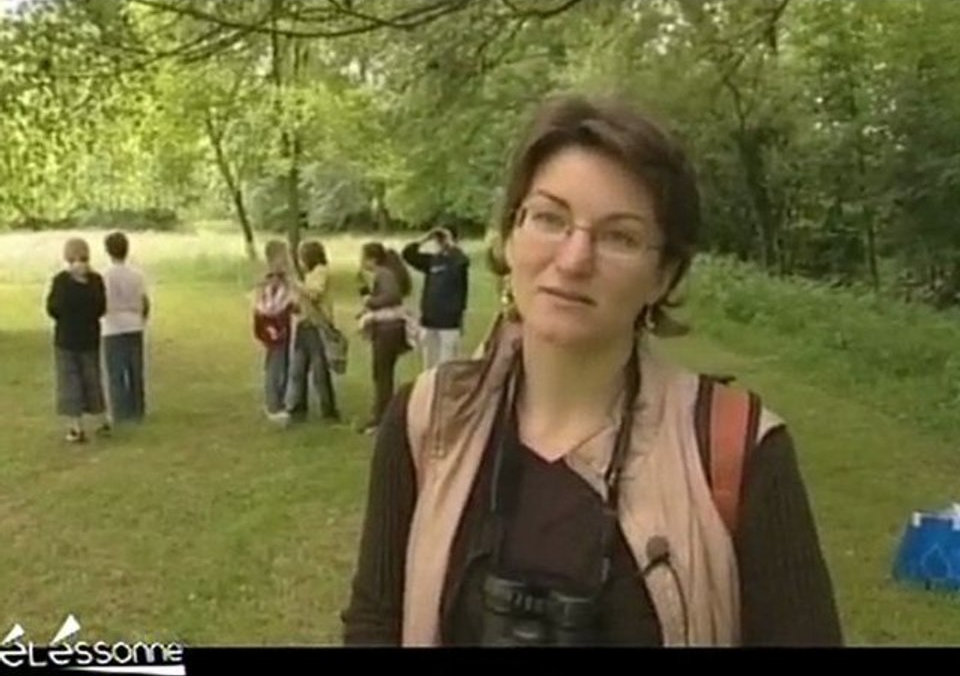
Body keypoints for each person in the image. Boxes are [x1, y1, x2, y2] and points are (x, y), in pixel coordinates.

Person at [341, 94, 843, 646]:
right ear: (510, 238)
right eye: (550, 218)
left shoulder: (740, 452)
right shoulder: (426, 419)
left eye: (620, 236)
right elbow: (374, 623)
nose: (575, 259)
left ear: (664, 276)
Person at [45, 237, 111, 443]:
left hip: (66, 339)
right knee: (92, 379)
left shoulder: (61, 281)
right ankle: (101, 421)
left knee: (70, 382)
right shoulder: (96, 280)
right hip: (89, 337)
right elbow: (101, 308)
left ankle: (76, 427)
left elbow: (53, 308)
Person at [356, 242, 413, 435]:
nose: (361, 261)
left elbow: (392, 296)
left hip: (388, 330)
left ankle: (382, 418)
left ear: (372, 259)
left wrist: (370, 301)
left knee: (382, 374)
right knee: (382, 373)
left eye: (363, 256)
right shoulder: (384, 273)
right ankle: (382, 414)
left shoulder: (383, 274)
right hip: (389, 328)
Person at [281, 240, 341, 424]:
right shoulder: (309, 275)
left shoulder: (321, 271)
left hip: (316, 326)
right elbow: (305, 300)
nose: (300, 261)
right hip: (304, 324)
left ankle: (329, 410)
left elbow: (314, 294)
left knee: (319, 370)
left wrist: (294, 283)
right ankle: (297, 408)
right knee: (298, 369)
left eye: (302, 257)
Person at [402, 225, 470, 369]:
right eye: (438, 239)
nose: (440, 242)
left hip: (449, 322)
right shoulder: (432, 261)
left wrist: (451, 244)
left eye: (442, 239)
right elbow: (408, 254)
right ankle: (429, 390)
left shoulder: (457, 260)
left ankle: (445, 391)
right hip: (429, 320)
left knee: (447, 364)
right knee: (429, 364)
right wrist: (426, 237)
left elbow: (463, 261)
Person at [101, 231, 150, 423]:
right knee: (135, 369)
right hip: (134, 324)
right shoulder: (137, 275)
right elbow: (144, 300)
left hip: (112, 326)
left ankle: (120, 411)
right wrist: (142, 319)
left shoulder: (104, 276)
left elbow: (102, 301)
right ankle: (138, 408)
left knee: (116, 371)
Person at [253, 239, 296, 422]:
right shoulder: (272, 279)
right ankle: (273, 405)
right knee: (276, 362)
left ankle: (278, 400)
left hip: (279, 322)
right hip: (273, 324)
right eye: (283, 255)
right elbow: (270, 304)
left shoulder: (278, 277)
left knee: (281, 360)